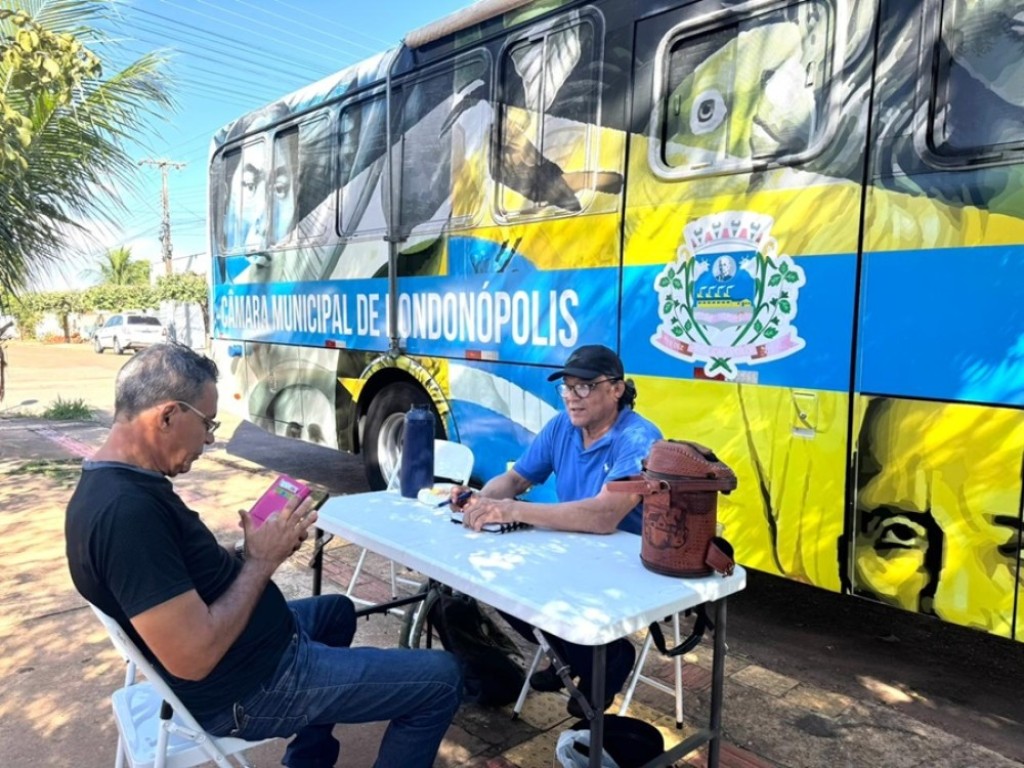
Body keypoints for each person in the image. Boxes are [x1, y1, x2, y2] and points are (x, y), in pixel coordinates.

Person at [65, 343, 462, 768]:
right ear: (167, 416)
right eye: (207, 423)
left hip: (255, 650)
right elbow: (194, 657)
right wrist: (262, 561)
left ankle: (306, 761)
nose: (210, 439)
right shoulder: (126, 515)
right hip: (250, 689)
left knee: (338, 611)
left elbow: (175, 572)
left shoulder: (117, 485)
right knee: (443, 679)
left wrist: (247, 550)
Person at [451, 344, 663, 717]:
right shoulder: (562, 426)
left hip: (625, 560)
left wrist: (514, 509)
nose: (571, 397)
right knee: (496, 583)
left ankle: (605, 658)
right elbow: (516, 479)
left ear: (616, 389)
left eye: (584, 386)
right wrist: (479, 500)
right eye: (566, 387)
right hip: (573, 548)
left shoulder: (639, 438)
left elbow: (604, 516)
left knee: (538, 587)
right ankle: (571, 657)